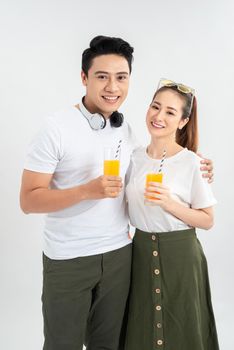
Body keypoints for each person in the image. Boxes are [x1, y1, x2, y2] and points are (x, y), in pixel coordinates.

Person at [19, 36, 214, 350]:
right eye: (102, 76)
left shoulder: (125, 129)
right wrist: (86, 190)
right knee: (62, 344)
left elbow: (158, 160)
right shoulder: (55, 128)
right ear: (84, 78)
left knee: (111, 344)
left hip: (120, 257)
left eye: (121, 77)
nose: (112, 87)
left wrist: (195, 165)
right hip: (69, 259)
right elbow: (28, 200)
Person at [124, 79, 219, 350]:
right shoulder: (134, 158)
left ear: (182, 121)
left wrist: (170, 204)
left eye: (170, 112)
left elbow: (208, 219)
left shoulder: (192, 162)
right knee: (140, 326)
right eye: (155, 107)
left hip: (181, 258)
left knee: (183, 328)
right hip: (139, 253)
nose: (159, 116)